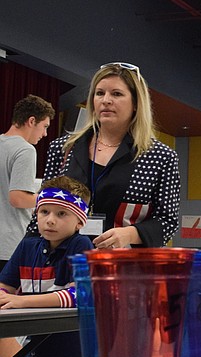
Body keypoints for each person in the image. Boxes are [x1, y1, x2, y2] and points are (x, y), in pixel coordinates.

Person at [30, 63, 179, 248]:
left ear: (136, 103)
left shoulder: (161, 157)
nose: (106, 100)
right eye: (99, 93)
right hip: (65, 262)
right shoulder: (62, 148)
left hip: (124, 266)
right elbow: (41, 209)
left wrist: (130, 233)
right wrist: (27, 254)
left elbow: (168, 221)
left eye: (116, 94)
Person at [0, 176, 94, 357]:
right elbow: (5, 285)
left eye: (61, 214)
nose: (50, 220)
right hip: (38, 353)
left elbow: (80, 294)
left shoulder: (81, 245)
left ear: (79, 221)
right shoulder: (27, 246)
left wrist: (21, 301)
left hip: (76, 355)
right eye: (44, 212)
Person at [0, 94, 54, 357]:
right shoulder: (24, 150)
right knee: (8, 328)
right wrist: (50, 200)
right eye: (44, 126)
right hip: (8, 248)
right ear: (31, 121)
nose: (44, 134)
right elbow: (18, 197)